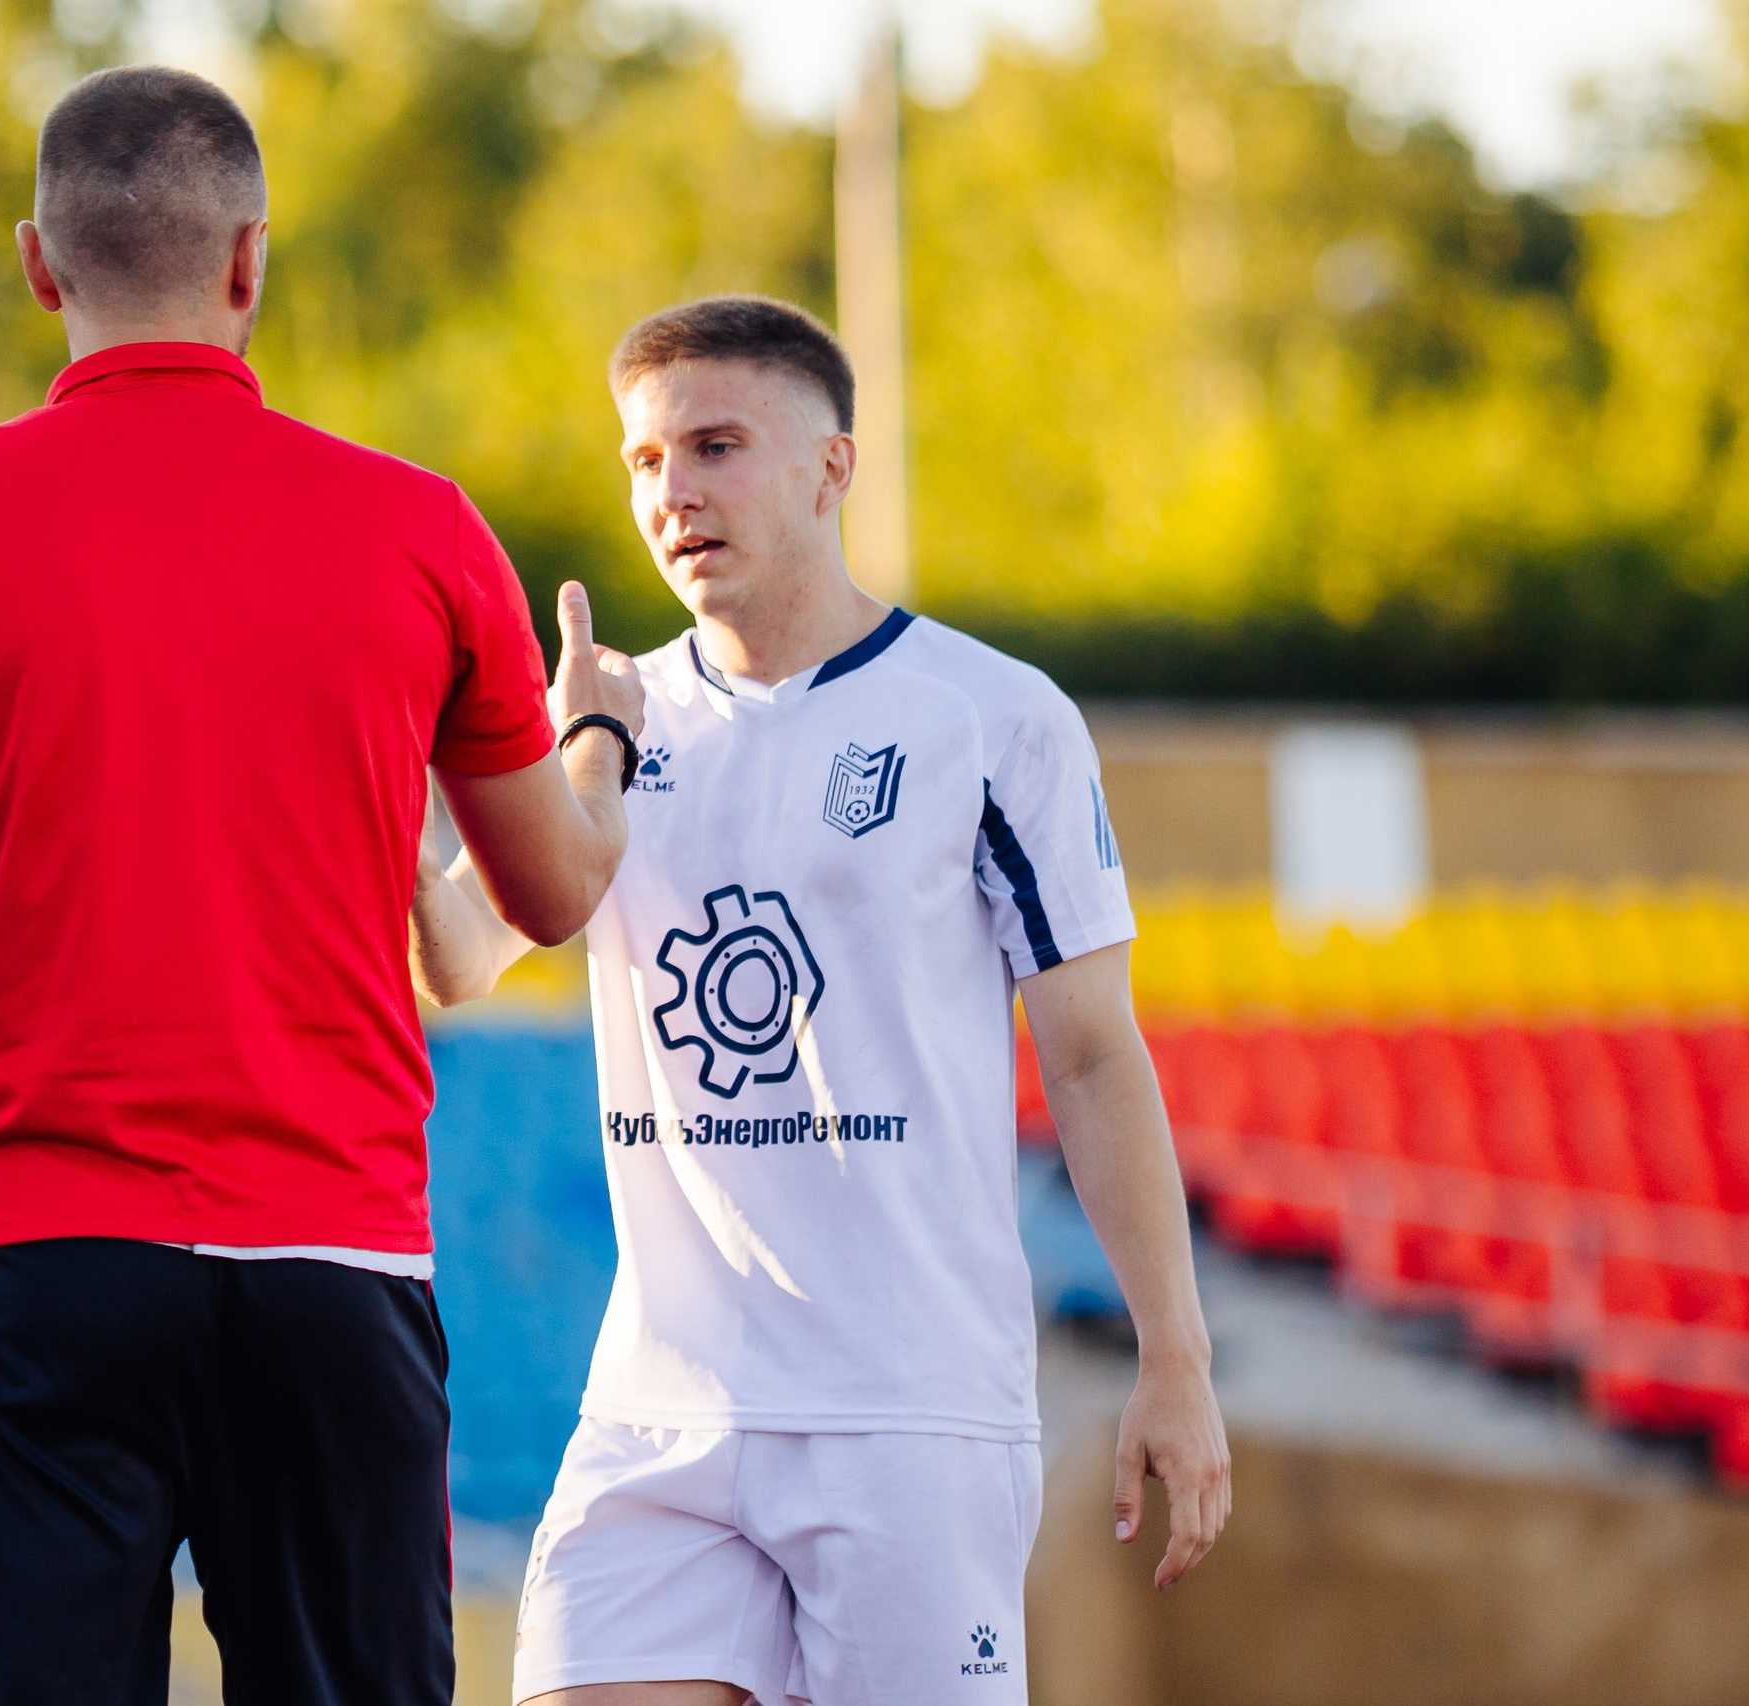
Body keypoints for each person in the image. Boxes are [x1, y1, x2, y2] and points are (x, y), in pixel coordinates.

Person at [0, 65, 647, 1706]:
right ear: (251, 262)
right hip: (333, 1263)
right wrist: (596, 732)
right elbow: (555, 892)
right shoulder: (425, 529)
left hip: (27, 1257)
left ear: (38, 263)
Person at [410, 296, 1230, 1706]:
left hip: (907, 1413)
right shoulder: (606, 727)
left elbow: (1094, 1059)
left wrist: (1177, 1357)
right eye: (646, 458)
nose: (673, 492)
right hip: (661, 1412)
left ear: (832, 465)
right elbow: (459, 958)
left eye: (715, 446)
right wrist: (454, 752)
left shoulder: (991, 716)